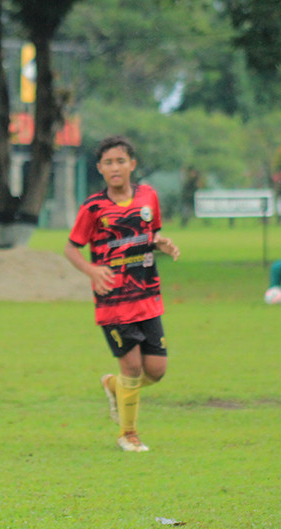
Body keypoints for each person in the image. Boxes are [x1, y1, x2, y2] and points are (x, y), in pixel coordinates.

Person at [64, 135, 180, 453]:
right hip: (113, 301)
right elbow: (71, 248)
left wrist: (161, 243)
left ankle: (113, 386)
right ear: (100, 168)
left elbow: (151, 233)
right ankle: (128, 435)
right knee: (131, 367)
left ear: (132, 165)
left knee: (156, 371)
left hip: (148, 295)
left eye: (120, 161)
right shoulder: (93, 207)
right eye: (108, 163)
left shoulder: (148, 196)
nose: (115, 168)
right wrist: (91, 270)